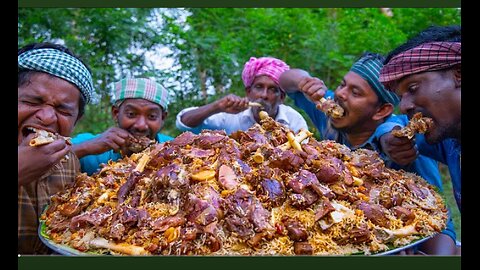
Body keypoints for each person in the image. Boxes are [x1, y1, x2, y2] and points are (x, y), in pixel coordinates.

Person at [279, 52, 457, 255]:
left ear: (381, 111)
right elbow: (285, 79)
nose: (340, 94)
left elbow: (438, 220)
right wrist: (305, 81)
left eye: (356, 92)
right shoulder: (330, 116)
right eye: (342, 84)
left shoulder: (404, 147)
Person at [378, 25, 461, 254]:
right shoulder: (452, 143)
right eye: (400, 96)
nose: (404, 105)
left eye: (413, 88)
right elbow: (394, 124)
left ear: (459, 74)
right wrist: (388, 137)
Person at [18, 42, 96, 254]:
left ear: (76, 120)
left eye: (63, 110)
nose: (46, 117)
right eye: (33, 101)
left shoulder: (69, 162)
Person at [176, 56, 308, 135]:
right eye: (259, 87)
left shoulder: (294, 120)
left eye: (273, 89)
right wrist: (217, 106)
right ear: (248, 92)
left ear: (282, 98)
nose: (264, 95)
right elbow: (183, 123)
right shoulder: (231, 114)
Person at [71, 78, 173, 175]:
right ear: (116, 113)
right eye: (131, 114)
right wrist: (84, 148)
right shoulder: (87, 144)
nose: (141, 125)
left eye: (152, 116)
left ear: (162, 118)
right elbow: (56, 157)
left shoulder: (174, 148)